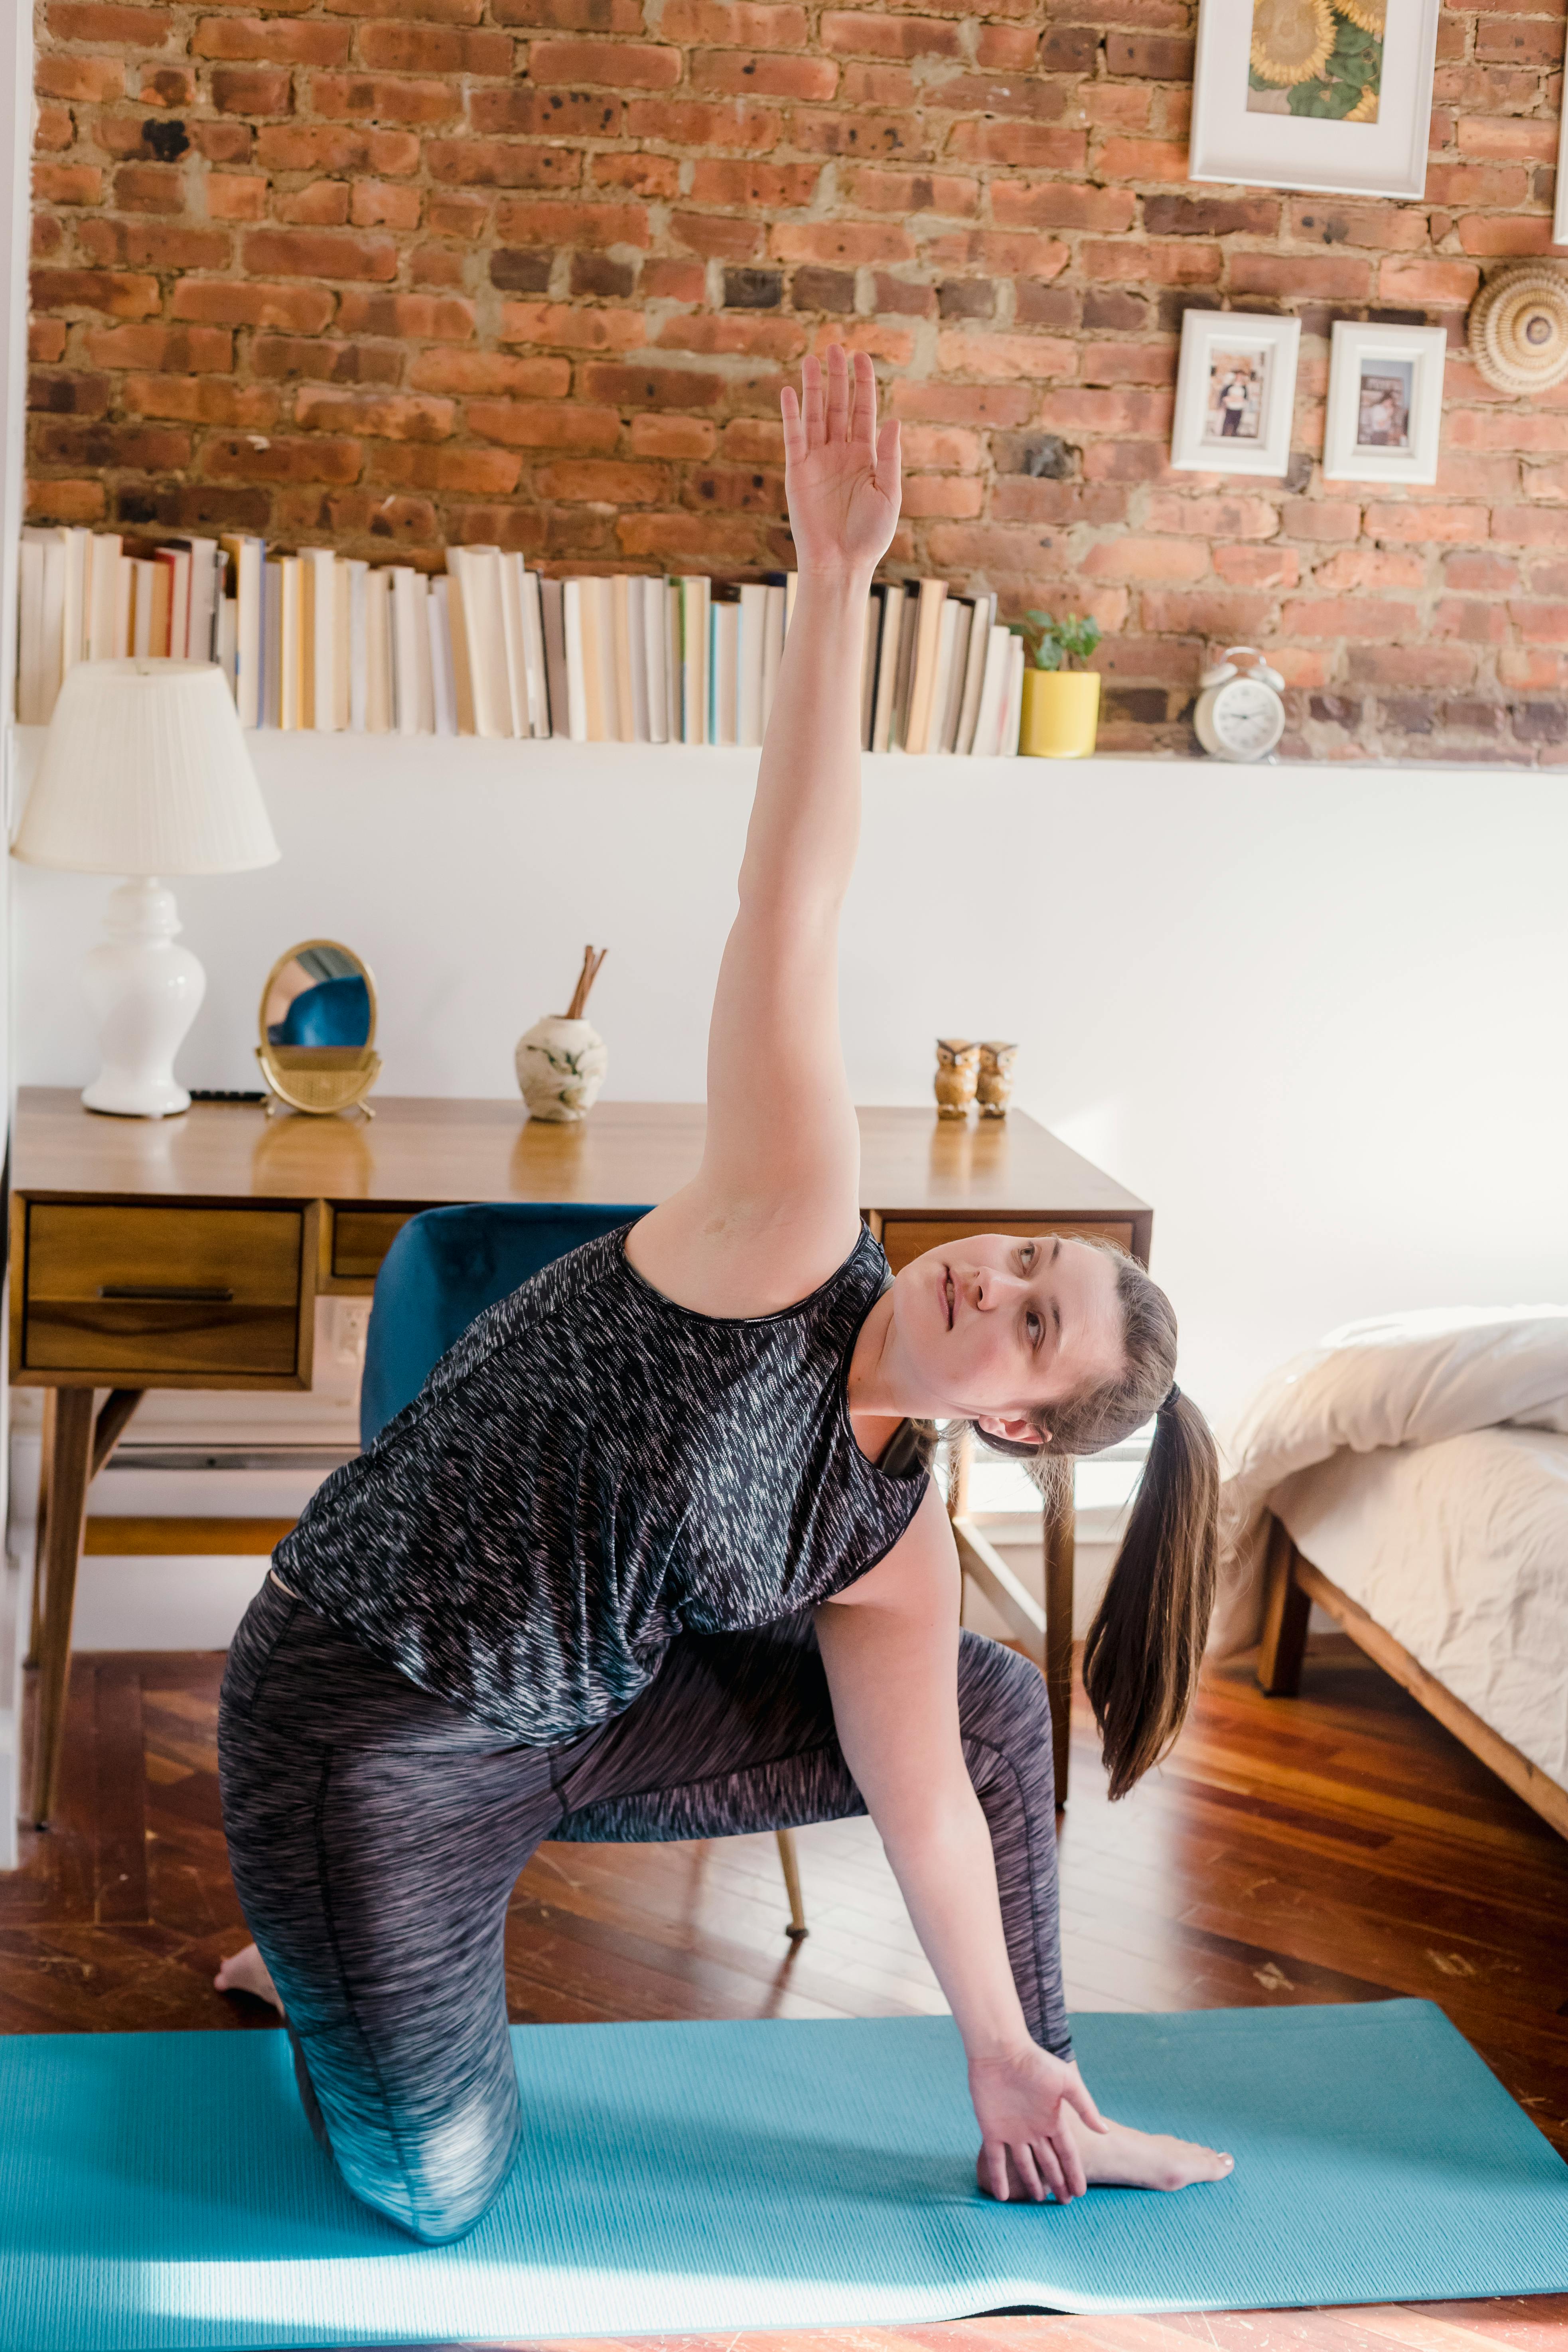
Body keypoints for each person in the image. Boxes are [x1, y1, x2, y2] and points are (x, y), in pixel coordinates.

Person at [216, 346, 1231, 2246]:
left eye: (1033, 1322)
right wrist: (834, 583)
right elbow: (792, 905)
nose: (992, 1282)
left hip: (570, 1728)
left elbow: (925, 1808)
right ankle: (327, 1941)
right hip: (367, 1714)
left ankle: (1055, 2088)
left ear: (1013, 1421)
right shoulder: (789, 1223)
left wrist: (995, 2054)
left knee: (980, 1718)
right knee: (434, 2192)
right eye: (1024, 1260)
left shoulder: (891, 1533)